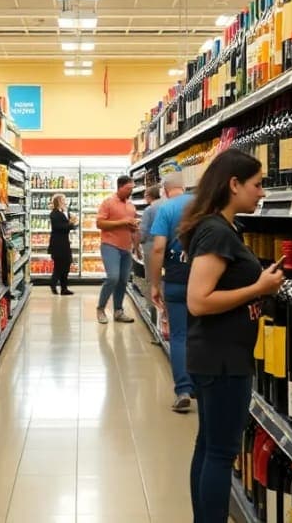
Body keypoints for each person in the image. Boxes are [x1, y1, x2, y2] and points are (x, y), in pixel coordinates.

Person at [178, 149, 283, 523]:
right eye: (258, 185)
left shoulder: (220, 227)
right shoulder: (216, 232)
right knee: (220, 452)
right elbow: (199, 302)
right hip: (221, 358)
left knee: (208, 445)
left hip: (217, 355)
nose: (263, 193)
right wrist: (260, 287)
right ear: (233, 184)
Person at [147, 173, 193, 412]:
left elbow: (157, 249)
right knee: (201, 333)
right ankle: (201, 385)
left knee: (179, 335)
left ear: (164, 191)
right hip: (203, 276)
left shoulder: (165, 209)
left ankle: (183, 389)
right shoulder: (200, 204)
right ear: (184, 187)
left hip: (175, 276)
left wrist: (155, 284)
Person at [95, 175, 139, 324]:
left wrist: (136, 246)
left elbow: (131, 229)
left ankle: (118, 311)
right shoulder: (108, 202)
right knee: (113, 277)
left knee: (122, 280)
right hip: (110, 245)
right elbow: (99, 223)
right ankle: (100, 309)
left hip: (126, 247)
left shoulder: (131, 206)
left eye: (132, 189)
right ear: (119, 187)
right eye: (128, 189)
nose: (131, 191)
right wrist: (122, 222)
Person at [48, 193, 76, 295]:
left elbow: (68, 227)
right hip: (58, 244)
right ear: (59, 201)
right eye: (64, 199)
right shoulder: (54, 213)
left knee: (65, 265)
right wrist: (71, 223)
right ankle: (53, 283)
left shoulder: (64, 212)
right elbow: (60, 227)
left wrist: (72, 223)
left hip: (64, 243)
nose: (66, 201)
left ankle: (63, 288)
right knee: (60, 266)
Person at [137, 184, 162, 263]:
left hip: (150, 246)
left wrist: (138, 242)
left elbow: (143, 233)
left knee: (151, 273)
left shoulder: (149, 210)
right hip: (164, 245)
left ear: (149, 196)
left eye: (145, 195)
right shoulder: (166, 206)